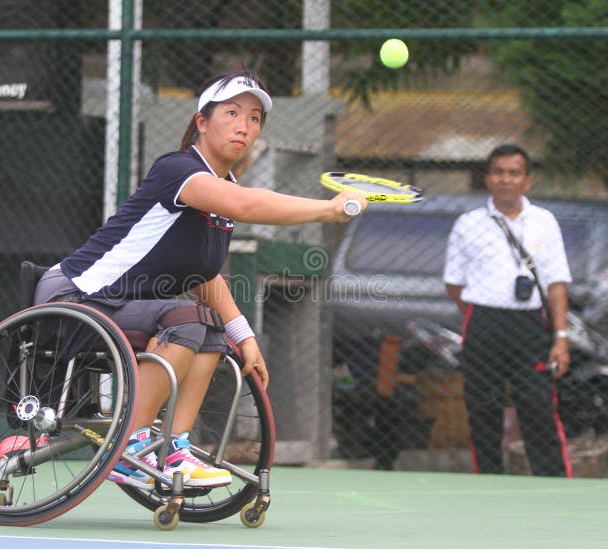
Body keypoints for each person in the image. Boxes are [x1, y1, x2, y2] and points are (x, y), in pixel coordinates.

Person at [33, 70, 367, 488]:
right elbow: (247, 205)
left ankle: (174, 449)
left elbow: (205, 277)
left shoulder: (223, 189)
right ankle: (129, 446)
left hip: (120, 308)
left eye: (255, 118)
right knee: (189, 319)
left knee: (210, 328)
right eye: (232, 112)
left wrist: (243, 335)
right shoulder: (179, 170)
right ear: (202, 122)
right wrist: (330, 209)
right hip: (75, 297)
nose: (245, 125)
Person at [443, 144, 572, 477]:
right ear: (487, 179)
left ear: (527, 180)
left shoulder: (544, 221)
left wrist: (560, 337)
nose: (506, 180)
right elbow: (454, 284)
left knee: (538, 405)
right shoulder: (468, 223)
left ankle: (555, 483)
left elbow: (557, 284)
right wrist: (480, 314)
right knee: (482, 407)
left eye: (514, 173)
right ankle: (487, 479)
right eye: (498, 172)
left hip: (529, 325)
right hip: (483, 322)